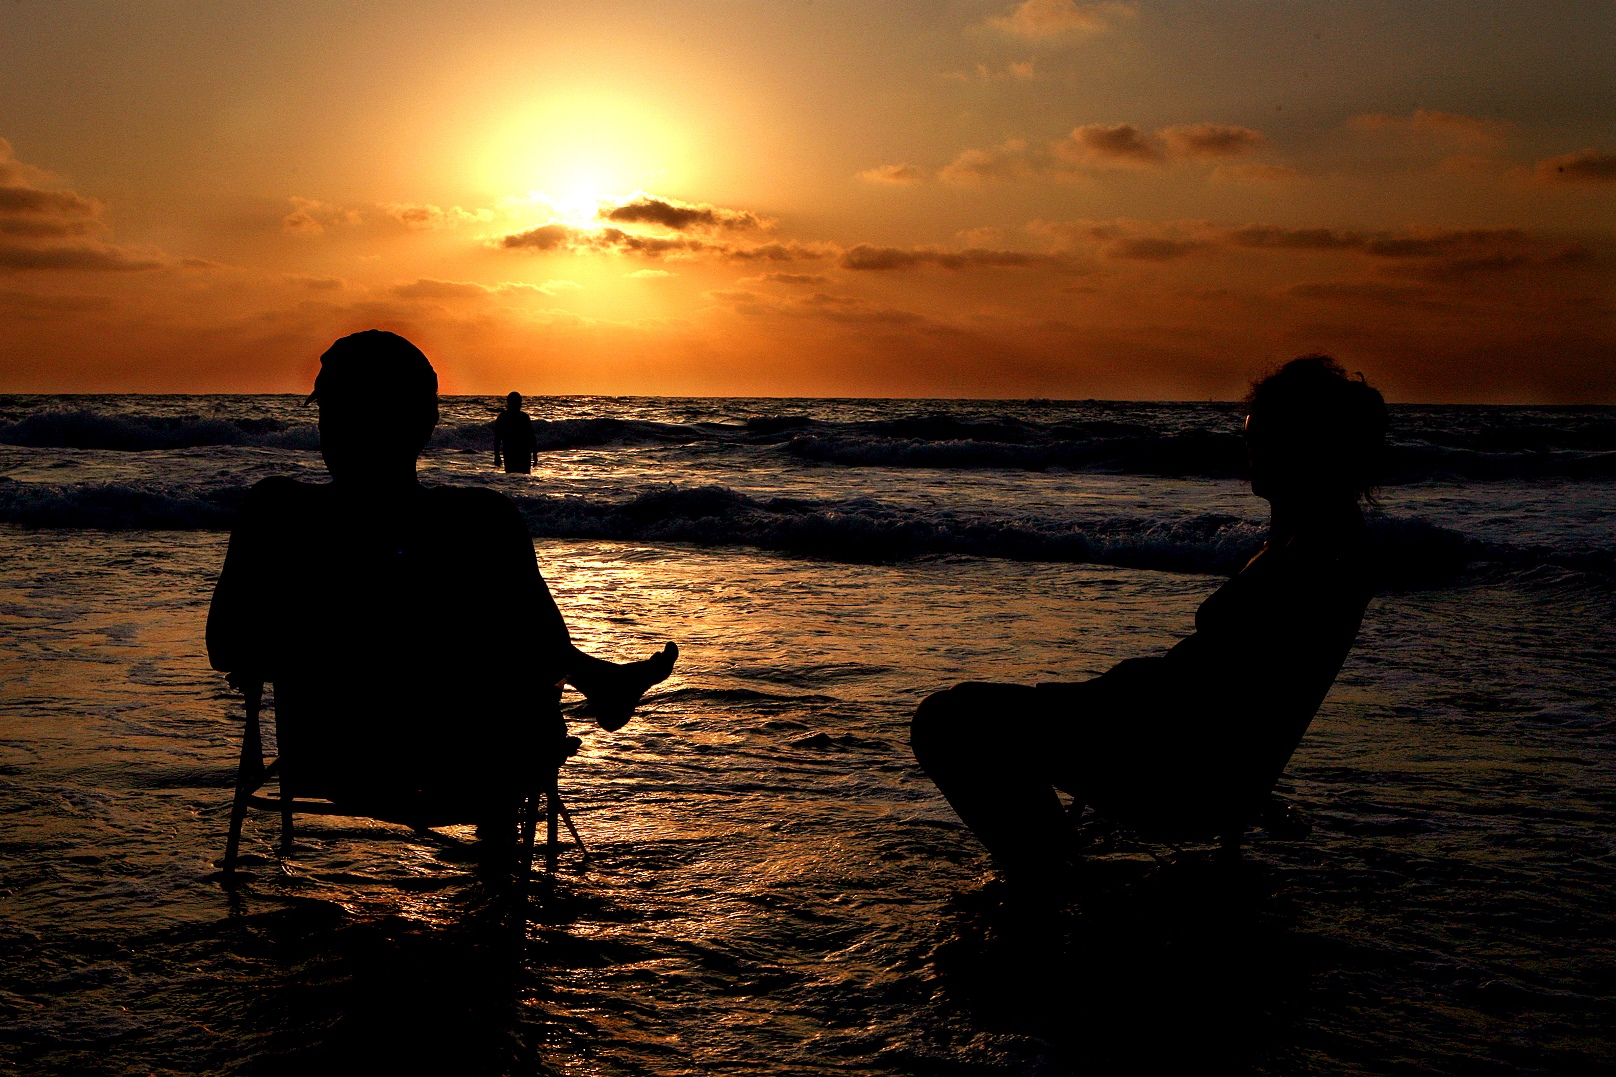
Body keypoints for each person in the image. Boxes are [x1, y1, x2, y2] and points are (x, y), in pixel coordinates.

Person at [911, 355, 1387, 893]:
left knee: (947, 719)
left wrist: (1099, 700)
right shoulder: (1318, 543)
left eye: (1260, 434)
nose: (1247, 447)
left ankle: (1047, 873)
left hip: (1172, 770)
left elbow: (1214, 692)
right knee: (973, 705)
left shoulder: (1314, 557)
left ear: (1304, 443)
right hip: (1192, 756)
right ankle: (1047, 863)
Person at [206, 330, 676, 866]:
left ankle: (596, 680)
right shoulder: (481, 521)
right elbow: (541, 648)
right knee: (518, 669)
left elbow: (226, 646)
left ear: (330, 421)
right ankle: (593, 685)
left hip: (331, 761)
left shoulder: (276, 512)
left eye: (330, 408)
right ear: (426, 425)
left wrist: (316, 646)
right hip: (471, 769)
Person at [493, 391, 539, 474]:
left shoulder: (503, 417)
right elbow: (531, 437)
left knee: (512, 479)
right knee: (520, 479)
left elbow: (497, 438)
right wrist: (535, 455)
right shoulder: (522, 417)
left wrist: (497, 455)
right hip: (518, 453)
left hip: (515, 453)